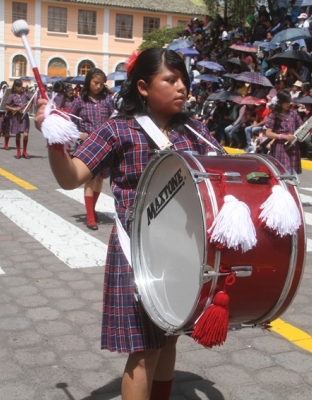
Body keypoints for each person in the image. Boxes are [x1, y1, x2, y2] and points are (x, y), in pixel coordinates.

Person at [34, 47, 222, 400]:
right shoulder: (118, 129)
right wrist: (54, 140)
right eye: (171, 79)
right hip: (136, 251)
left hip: (180, 251)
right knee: (144, 350)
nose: (182, 86)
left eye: (184, 79)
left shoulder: (195, 131)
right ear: (143, 87)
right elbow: (72, 176)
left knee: (167, 340)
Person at [68, 68, 115, 231]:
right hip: (87, 146)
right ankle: (90, 217)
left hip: (104, 145)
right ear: (88, 81)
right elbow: (70, 121)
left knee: (100, 179)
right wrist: (79, 134)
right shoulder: (80, 101)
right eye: (96, 83)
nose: (98, 86)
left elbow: (114, 118)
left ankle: (92, 209)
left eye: (102, 84)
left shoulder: (108, 100)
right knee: (90, 179)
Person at [264, 90, 304, 174]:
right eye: (285, 102)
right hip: (280, 147)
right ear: (280, 102)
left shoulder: (293, 113)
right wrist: (283, 136)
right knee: (284, 171)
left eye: (289, 102)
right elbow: (268, 133)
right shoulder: (274, 115)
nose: (288, 104)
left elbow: (301, 126)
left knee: (293, 173)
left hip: (293, 146)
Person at [5, 79, 32, 159]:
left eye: (21, 86)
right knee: (17, 135)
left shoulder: (25, 94)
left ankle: (25, 151)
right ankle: (18, 152)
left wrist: (28, 107)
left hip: (24, 116)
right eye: (19, 86)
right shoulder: (11, 96)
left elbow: (31, 101)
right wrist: (14, 109)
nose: (21, 88)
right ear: (15, 87)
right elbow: (7, 106)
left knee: (26, 134)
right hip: (16, 117)